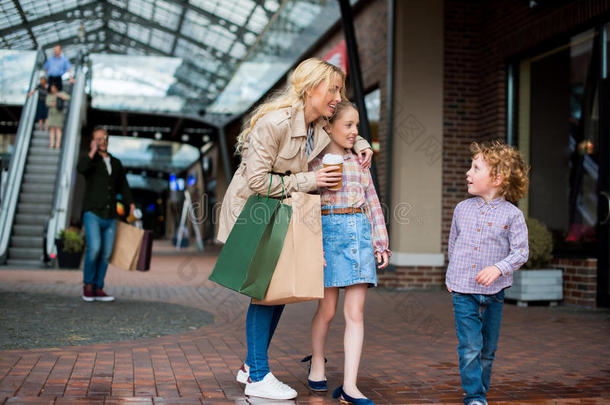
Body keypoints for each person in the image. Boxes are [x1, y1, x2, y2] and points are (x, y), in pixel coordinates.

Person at [216, 58, 374, 400]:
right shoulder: (274, 124)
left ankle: (249, 366)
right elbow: (257, 181)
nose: (336, 96)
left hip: (283, 211)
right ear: (309, 88)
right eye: (331, 89)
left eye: (339, 90)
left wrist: (360, 143)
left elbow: (346, 127)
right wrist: (311, 179)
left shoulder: (319, 123)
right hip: (255, 212)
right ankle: (258, 375)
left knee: (278, 293)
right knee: (265, 292)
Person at [305, 101, 390, 405]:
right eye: (348, 125)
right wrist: (313, 247)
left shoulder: (360, 162)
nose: (355, 132)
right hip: (327, 238)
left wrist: (380, 242)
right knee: (326, 311)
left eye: (357, 126)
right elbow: (306, 209)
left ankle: (350, 386)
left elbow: (373, 203)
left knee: (355, 314)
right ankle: (317, 360)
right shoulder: (314, 164)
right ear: (328, 127)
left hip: (359, 238)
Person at [446, 141, 530, 405]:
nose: (467, 173)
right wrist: (451, 277)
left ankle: (479, 389)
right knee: (470, 346)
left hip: (494, 294)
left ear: (497, 178)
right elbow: (453, 244)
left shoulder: (513, 215)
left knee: (487, 349)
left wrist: (498, 268)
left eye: (475, 168)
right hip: (463, 291)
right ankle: (475, 395)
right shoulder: (462, 209)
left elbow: (520, 252)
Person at [77, 127, 135, 302]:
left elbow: (123, 185)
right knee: (94, 248)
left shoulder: (116, 162)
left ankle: (98, 287)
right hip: (93, 212)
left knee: (106, 253)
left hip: (110, 215)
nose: (103, 141)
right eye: (98, 139)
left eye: (104, 138)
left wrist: (130, 203)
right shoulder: (90, 161)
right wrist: (92, 151)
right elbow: (81, 168)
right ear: (93, 141)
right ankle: (88, 286)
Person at [45, 84, 70, 149]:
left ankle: (58, 144)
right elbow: (47, 103)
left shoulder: (61, 93)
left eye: (54, 88)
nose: (52, 89)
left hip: (59, 114)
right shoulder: (49, 95)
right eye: (51, 88)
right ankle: (52, 144)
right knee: (52, 129)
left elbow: (68, 97)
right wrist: (52, 103)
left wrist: (61, 96)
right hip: (52, 114)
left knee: (58, 129)